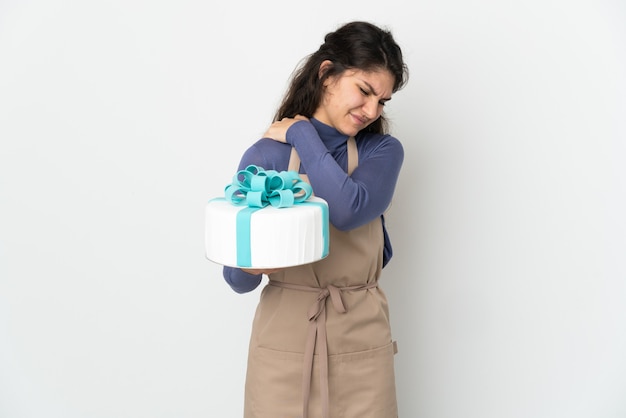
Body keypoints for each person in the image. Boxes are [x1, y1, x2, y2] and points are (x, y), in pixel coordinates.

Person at [222, 21, 409, 418]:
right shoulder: (265, 156)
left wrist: (302, 134)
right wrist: (251, 266)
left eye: (382, 101)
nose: (372, 110)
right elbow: (235, 280)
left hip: (362, 345)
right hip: (282, 350)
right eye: (364, 90)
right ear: (326, 74)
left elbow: (347, 210)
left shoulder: (382, 151)